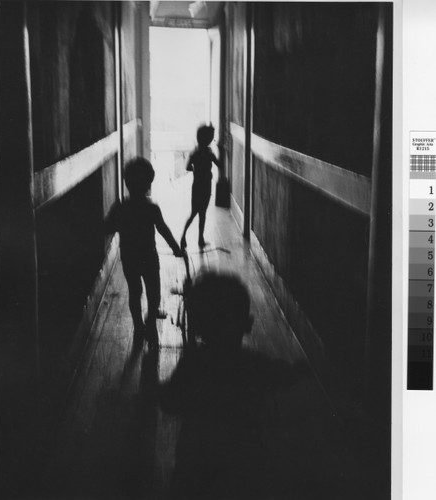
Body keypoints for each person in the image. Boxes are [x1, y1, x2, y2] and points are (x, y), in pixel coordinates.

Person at [160, 271, 308, 498]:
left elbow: (171, 401)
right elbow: (282, 375)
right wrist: (299, 369)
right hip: (243, 459)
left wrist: (159, 391)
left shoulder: (192, 364)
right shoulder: (253, 364)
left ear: (198, 326)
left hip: (196, 458)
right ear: (247, 324)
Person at [105, 157, 182, 347]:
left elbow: (106, 228)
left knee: (134, 291)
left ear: (126, 183)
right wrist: (175, 247)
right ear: (149, 184)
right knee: (153, 293)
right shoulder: (151, 208)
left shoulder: (121, 208)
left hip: (129, 256)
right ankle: (149, 324)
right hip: (148, 256)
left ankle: (139, 326)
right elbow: (163, 229)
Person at [180, 124, 222, 250]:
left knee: (194, 213)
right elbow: (219, 164)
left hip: (197, 185)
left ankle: (184, 237)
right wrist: (221, 152)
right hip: (206, 185)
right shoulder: (209, 153)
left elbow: (187, 167)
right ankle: (200, 239)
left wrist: (196, 170)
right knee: (202, 213)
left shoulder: (195, 153)